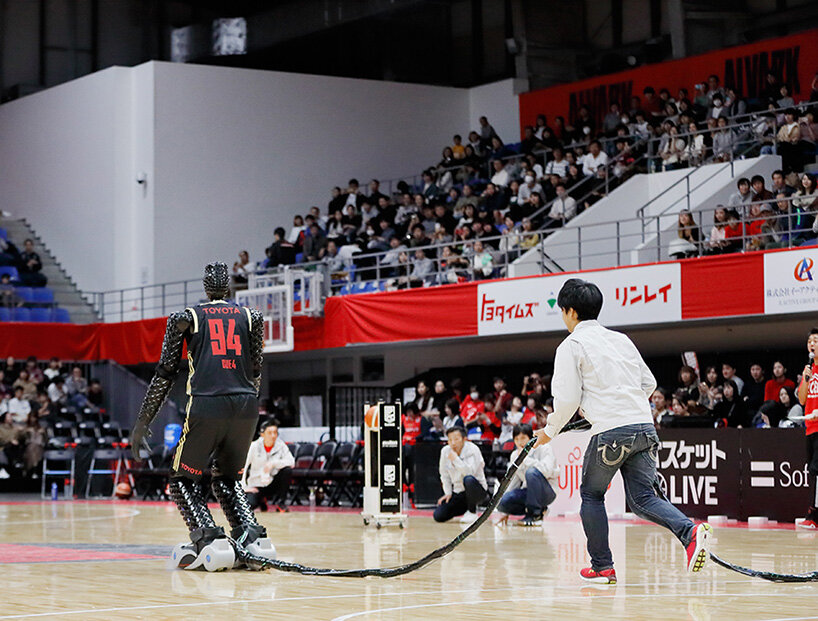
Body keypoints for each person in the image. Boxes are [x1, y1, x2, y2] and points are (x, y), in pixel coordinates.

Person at [532, 278, 712, 584]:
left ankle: (602, 566)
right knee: (642, 499)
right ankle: (689, 531)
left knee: (591, 495)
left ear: (570, 311)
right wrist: (625, 406)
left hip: (610, 431)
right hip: (644, 426)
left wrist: (549, 432)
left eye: (562, 311)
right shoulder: (622, 339)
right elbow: (649, 384)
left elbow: (567, 400)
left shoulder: (570, 345)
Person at [130, 262, 274, 571]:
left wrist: (143, 422)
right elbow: (256, 372)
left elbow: (165, 375)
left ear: (206, 287)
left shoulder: (186, 317)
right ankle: (252, 537)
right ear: (229, 287)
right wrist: (246, 408)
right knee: (228, 479)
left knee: (182, 479)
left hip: (207, 403)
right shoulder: (252, 317)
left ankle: (209, 539)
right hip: (247, 405)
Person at [496, 423, 559, 526]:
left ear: (530, 438)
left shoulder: (544, 448)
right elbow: (513, 481)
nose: (519, 442)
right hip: (528, 492)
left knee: (531, 472)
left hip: (547, 491)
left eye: (523, 438)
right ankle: (538, 509)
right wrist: (505, 511)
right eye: (516, 439)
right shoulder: (514, 455)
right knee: (501, 502)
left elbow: (547, 471)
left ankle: (535, 515)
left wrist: (525, 458)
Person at [434, 426, 488, 524]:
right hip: (459, 492)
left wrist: (456, 459)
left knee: (468, 479)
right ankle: (465, 509)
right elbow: (444, 475)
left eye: (456, 439)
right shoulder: (445, 451)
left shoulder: (473, 449)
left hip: (477, 491)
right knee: (439, 515)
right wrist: (448, 493)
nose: (453, 443)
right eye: (450, 440)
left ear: (464, 439)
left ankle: (472, 512)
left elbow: (470, 473)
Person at [242, 418, 294, 513]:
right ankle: (261, 500)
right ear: (262, 434)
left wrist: (274, 463)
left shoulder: (281, 445)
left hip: (272, 483)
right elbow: (243, 466)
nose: (273, 436)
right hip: (256, 485)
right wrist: (244, 487)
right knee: (250, 505)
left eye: (275, 433)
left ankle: (281, 503)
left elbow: (291, 462)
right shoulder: (254, 446)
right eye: (269, 433)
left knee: (287, 471)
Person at [797, 328, 818, 529]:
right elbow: (802, 399)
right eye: (810, 341)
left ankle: (813, 516)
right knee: (813, 472)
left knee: (816, 470)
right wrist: (806, 378)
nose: (812, 344)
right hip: (810, 428)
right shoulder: (808, 371)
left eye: (816, 341)